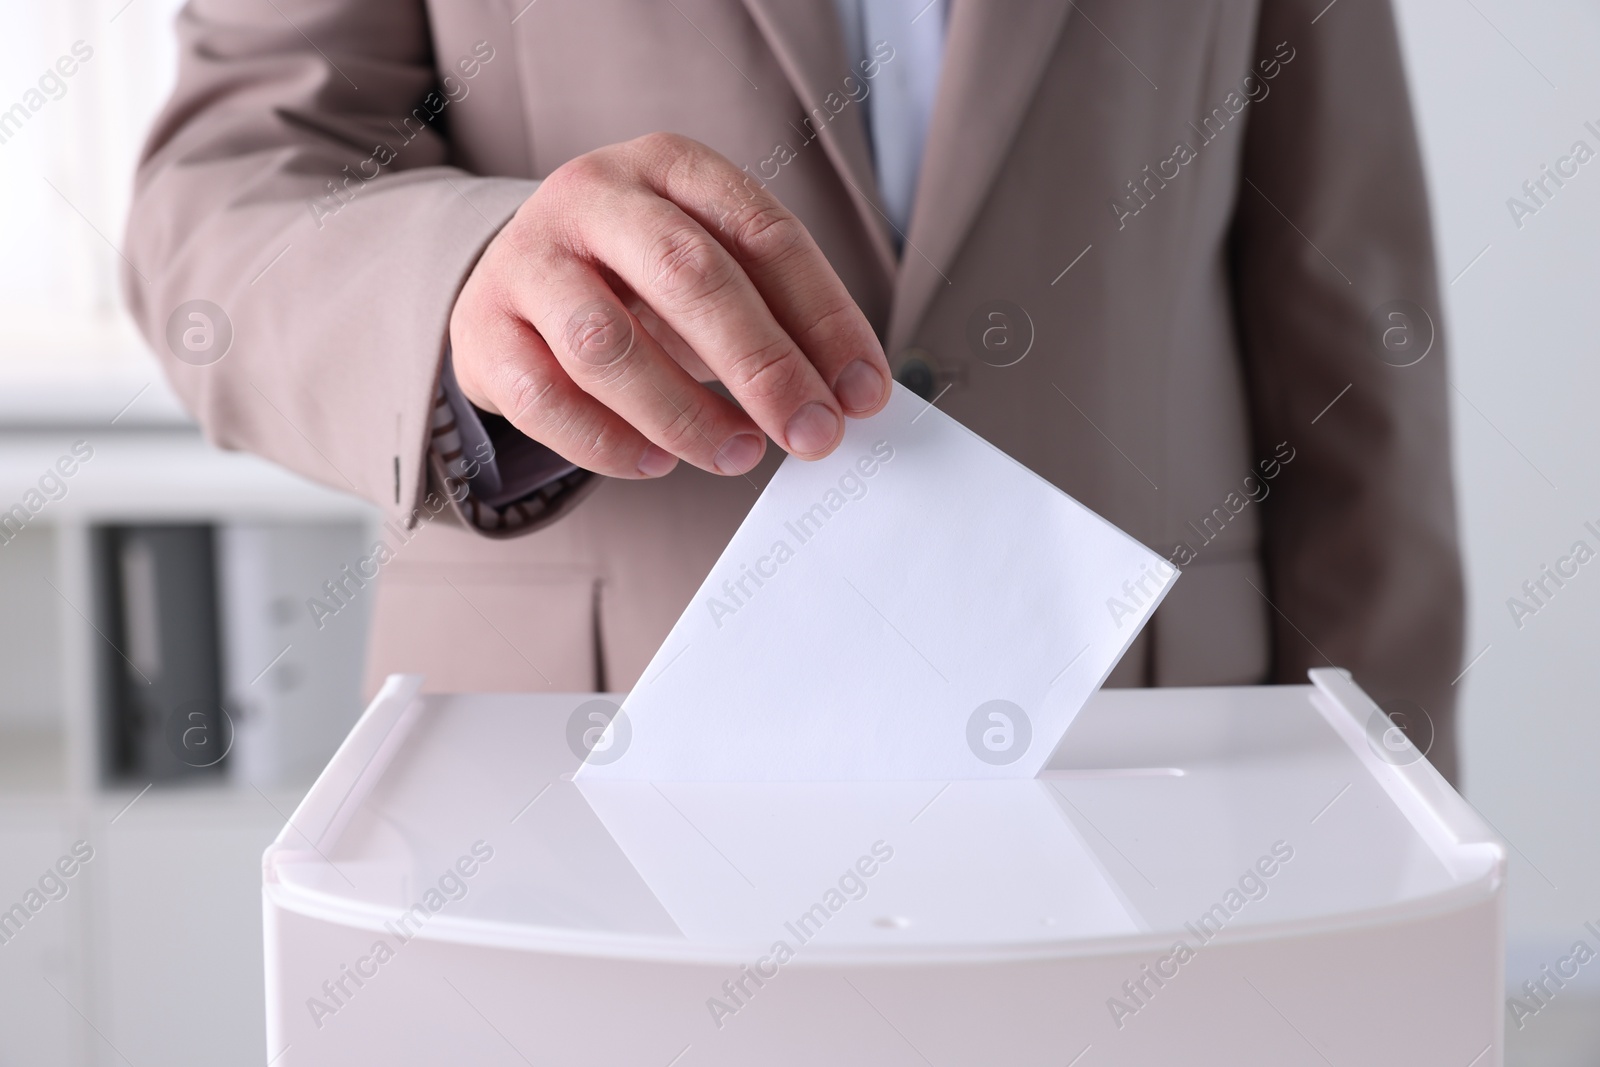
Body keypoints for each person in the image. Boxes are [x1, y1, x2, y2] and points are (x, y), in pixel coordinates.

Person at [124, 0, 1464, 781]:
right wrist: (469, 273)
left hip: (1144, 771)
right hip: (569, 787)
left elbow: (1348, 314)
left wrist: (1402, 832)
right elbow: (223, 191)